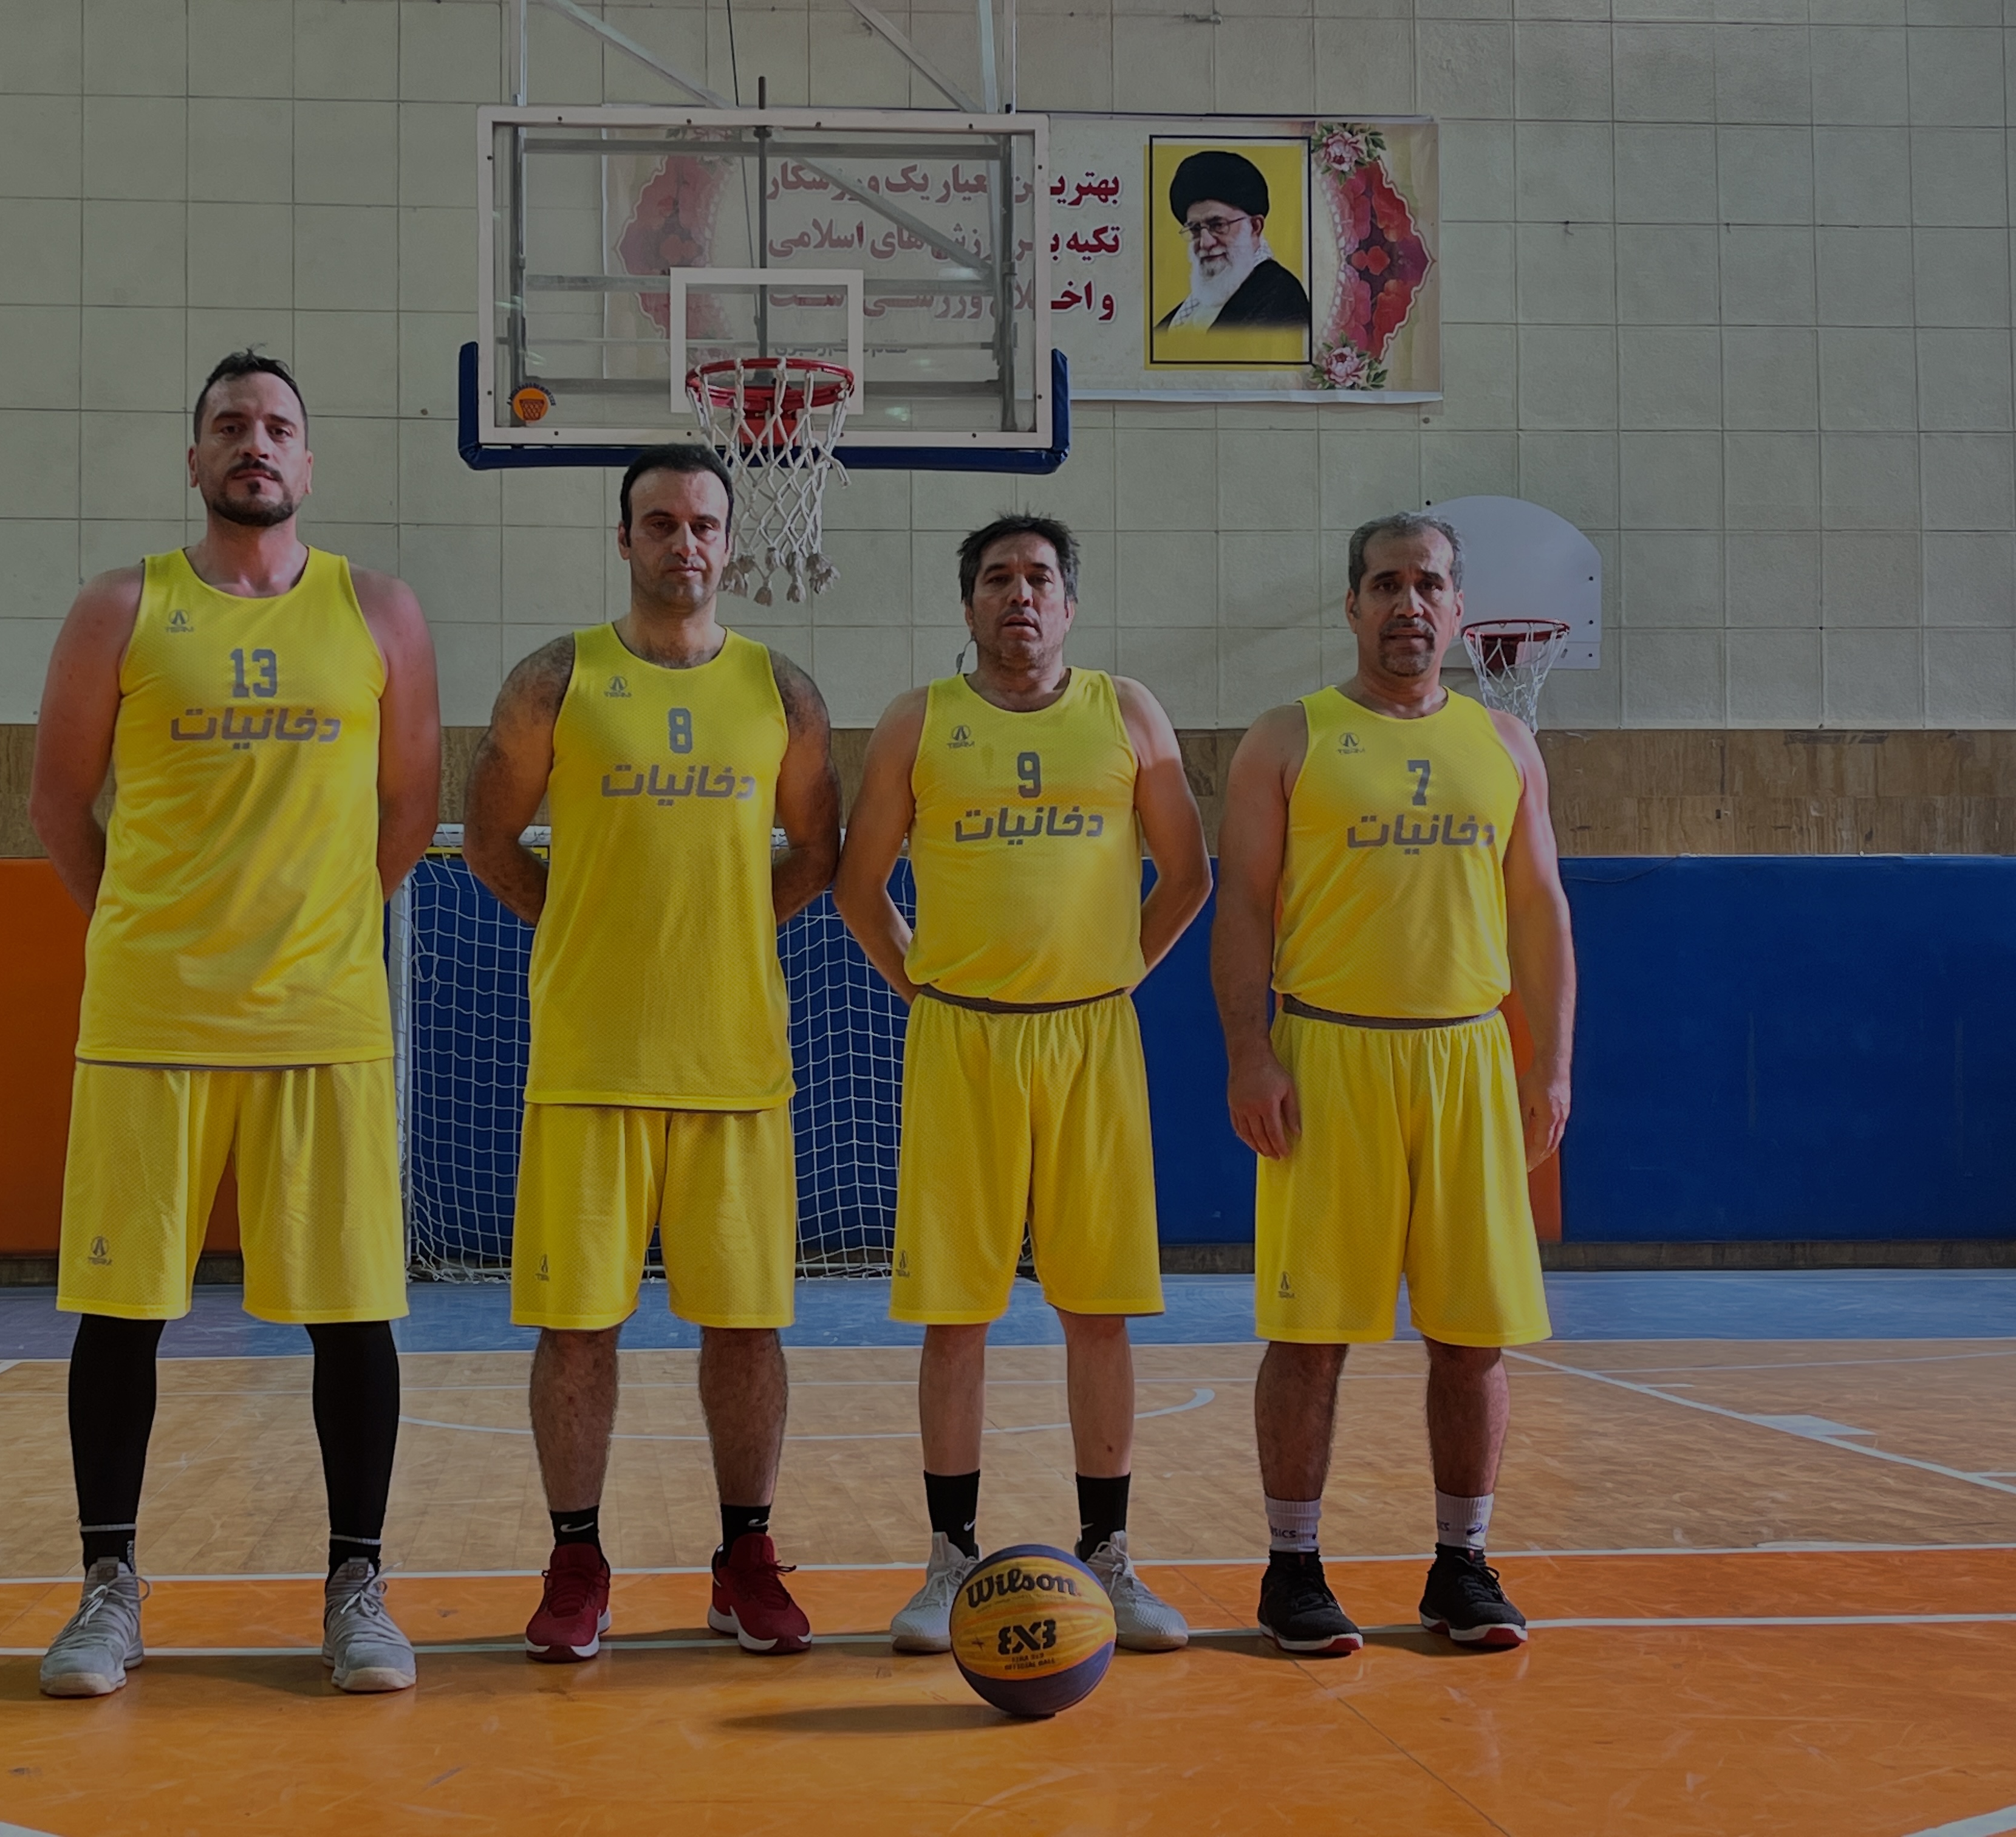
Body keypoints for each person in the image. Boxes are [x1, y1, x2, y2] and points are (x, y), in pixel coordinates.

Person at [26, 351, 442, 1697]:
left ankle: (357, 1584)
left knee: (352, 1312)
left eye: (276, 427)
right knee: (121, 1310)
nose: (253, 443)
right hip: (150, 1016)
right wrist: (144, 926)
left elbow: (409, 811)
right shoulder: (120, 607)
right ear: (195, 457)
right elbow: (57, 805)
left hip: (323, 1016)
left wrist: (321, 928)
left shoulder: (379, 611)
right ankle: (108, 1587)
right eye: (228, 425)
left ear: (307, 462)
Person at [463, 444, 841, 1663]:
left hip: (735, 1063)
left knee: (747, 1328)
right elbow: (487, 840)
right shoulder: (556, 679)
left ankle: (745, 1558)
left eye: (704, 524)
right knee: (577, 1329)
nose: (686, 542)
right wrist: (580, 923)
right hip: (590, 1060)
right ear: (623, 538)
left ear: (731, 541)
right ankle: (576, 1559)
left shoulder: (781, 691)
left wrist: (727, 925)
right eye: (661, 522)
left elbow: (817, 853)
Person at [836, 513, 1213, 1655]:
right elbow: (858, 884)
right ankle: (949, 1560)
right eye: (997, 578)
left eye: (1040, 577)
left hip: (1092, 1040)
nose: (1020, 594)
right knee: (957, 1313)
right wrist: (924, 986)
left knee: (1097, 1308)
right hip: (962, 1040)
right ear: (969, 606)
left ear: (1069, 603)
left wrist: (1115, 973)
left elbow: (1189, 873)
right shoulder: (917, 721)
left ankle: (1110, 1555)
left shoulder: (1127, 712)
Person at [1209, 512, 1573, 1655]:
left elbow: (1539, 909)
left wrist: (1552, 1063)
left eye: (1427, 584)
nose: (1406, 604)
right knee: (1310, 1333)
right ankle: (1292, 1569)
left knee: (1473, 1335)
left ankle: (1462, 1565)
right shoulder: (1288, 737)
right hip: (1329, 1056)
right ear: (1352, 605)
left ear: (1457, 608)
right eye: (1384, 585)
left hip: (1467, 1057)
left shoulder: (1506, 742)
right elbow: (1244, 906)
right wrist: (1250, 1050)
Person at [1157, 149, 1311, 332]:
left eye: (1218, 225)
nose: (1205, 243)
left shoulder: (1280, 297)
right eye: (1196, 229)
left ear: (1254, 227)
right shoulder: (1197, 302)